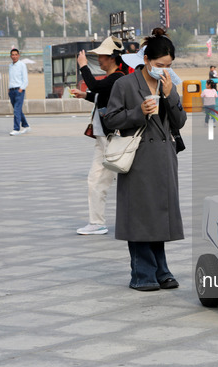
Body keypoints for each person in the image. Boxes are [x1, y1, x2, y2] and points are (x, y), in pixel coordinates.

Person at [104, 28, 187, 291]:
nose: (164, 69)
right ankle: (142, 273)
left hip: (164, 158)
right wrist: (138, 111)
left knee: (158, 216)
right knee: (141, 216)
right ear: (147, 60)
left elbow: (180, 121)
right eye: (160, 64)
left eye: (169, 65)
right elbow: (110, 119)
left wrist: (171, 94)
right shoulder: (125, 84)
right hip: (138, 159)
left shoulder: (168, 82)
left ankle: (161, 269)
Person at [70, 36, 128, 235]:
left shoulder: (118, 78)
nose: (99, 60)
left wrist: (83, 66)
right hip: (103, 136)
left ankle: (132, 220)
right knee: (95, 179)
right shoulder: (113, 79)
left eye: (101, 56)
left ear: (112, 57)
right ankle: (96, 222)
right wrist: (84, 95)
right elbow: (100, 94)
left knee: (118, 180)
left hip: (114, 138)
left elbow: (96, 87)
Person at [8, 48, 30, 136]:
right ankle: (26, 125)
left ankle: (16, 129)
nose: (14, 56)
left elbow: (25, 79)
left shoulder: (22, 65)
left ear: (18, 55)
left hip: (19, 90)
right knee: (17, 110)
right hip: (11, 90)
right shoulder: (10, 66)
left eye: (16, 54)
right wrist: (9, 88)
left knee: (16, 110)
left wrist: (21, 89)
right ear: (10, 56)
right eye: (12, 55)